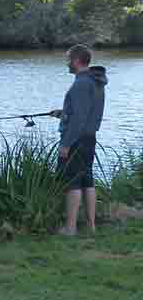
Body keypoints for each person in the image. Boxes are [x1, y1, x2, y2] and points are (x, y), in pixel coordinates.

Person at [49, 44, 108, 236]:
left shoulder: (81, 83)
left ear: (76, 60)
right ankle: (91, 226)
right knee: (87, 180)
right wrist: (63, 113)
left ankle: (70, 228)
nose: (67, 63)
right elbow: (84, 112)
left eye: (68, 59)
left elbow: (79, 118)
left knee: (71, 182)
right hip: (89, 138)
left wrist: (66, 144)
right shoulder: (96, 81)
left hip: (76, 140)